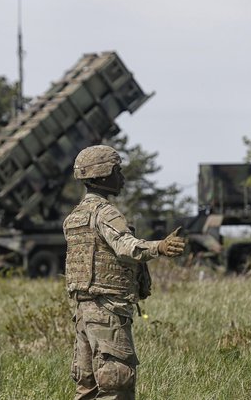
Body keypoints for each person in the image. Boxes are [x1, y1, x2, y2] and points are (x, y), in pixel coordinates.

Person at [63, 145, 186, 400]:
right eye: (117, 171)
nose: (122, 178)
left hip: (83, 311)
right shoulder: (105, 213)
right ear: (103, 175)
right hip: (107, 311)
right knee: (116, 383)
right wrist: (159, 247)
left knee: (88, 387)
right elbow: (126, 247)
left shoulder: (75, 216)